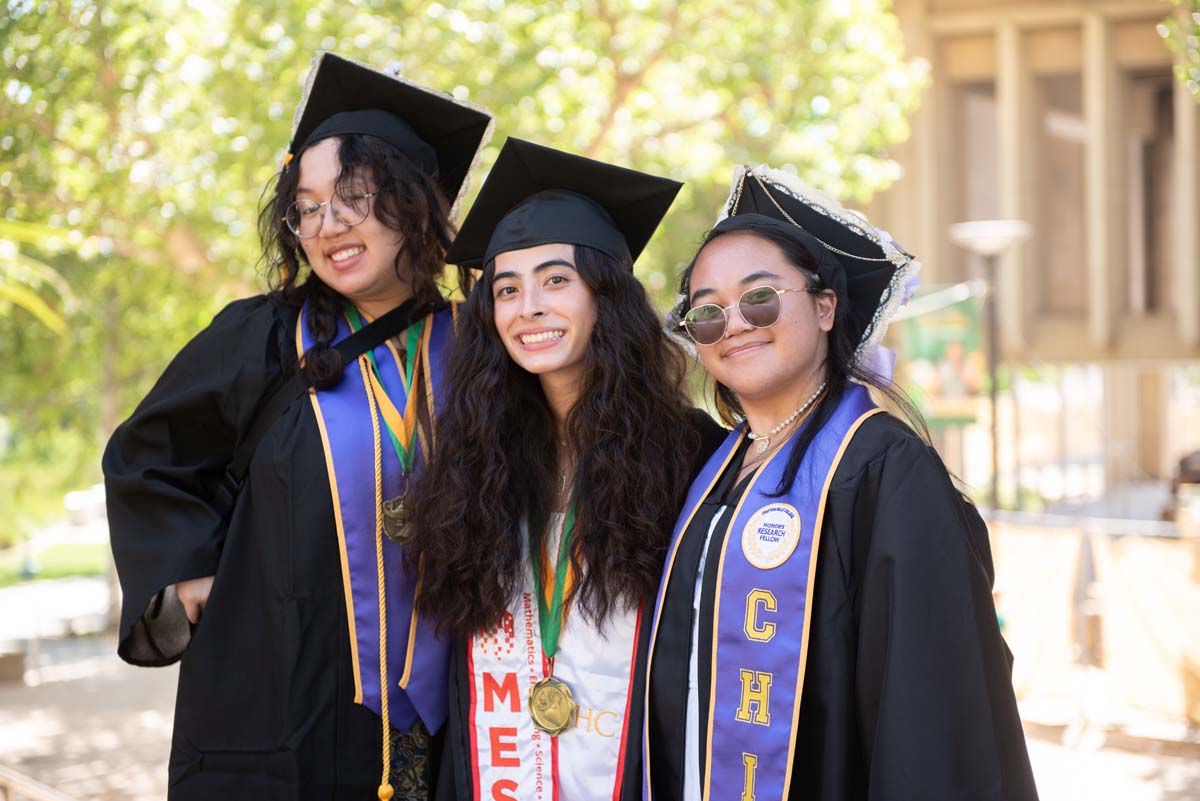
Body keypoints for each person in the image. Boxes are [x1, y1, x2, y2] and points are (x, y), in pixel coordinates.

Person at [102, 52, 492, 800]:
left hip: (455, 696)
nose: (327, 225)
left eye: (353, 197)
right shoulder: (267, 337)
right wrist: (191, 572)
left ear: (414, 202)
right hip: (283, 683)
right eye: (307, 207)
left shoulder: (480, 346)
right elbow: (147, 455)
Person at [643, 166, 1039, 801]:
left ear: (826, 306)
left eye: (760, 298)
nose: (735, 323)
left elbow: (931, 711)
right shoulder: (713, 471)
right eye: (707, 312)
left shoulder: (884, 468)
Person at [402, 138, 726, 801]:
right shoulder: (474, 465)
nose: (530, 308)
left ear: (604, 296)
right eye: (507, 289)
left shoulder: (694, 456)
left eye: (556, 280)